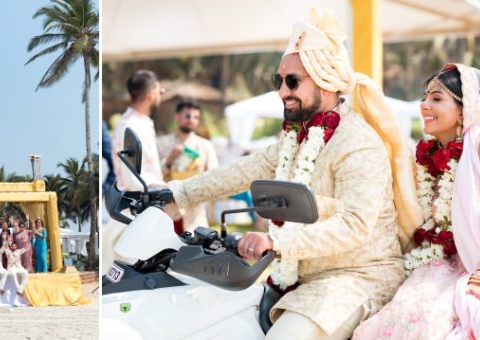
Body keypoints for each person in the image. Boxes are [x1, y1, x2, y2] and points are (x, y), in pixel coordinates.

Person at [155, 9, 422, 339]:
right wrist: (176, 194)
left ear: (324, 79)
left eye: (292, 81)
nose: (281, 91)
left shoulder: (357, 143)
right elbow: (245, 169)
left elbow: (354, 224)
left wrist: (275, 240)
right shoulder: (296, 137)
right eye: (278, 81)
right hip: (301, 279)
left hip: (356, 279)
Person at [352, 64, 480, 339]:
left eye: (437, 98)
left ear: (465, 107)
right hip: (440, 261)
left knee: (425, 319)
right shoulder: (428, 153)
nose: (424, 105)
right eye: (425, 97)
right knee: (381, 313)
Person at [157, 99, 220, 233]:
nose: (191, 120)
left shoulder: (205, 146)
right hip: (166, 213)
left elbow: (215, 176)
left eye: (196, 117)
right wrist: (168, 161)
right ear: (177, 116)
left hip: (194, 214)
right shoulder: (162, 143)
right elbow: (152, 176)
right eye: (187, 116)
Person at [114, 69, 166, 192]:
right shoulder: (129, 126)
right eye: (161, 92)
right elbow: (131, 180)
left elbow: (147, 167)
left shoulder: (143, 122)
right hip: (136, 206)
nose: (161, 95)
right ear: (151, 96)